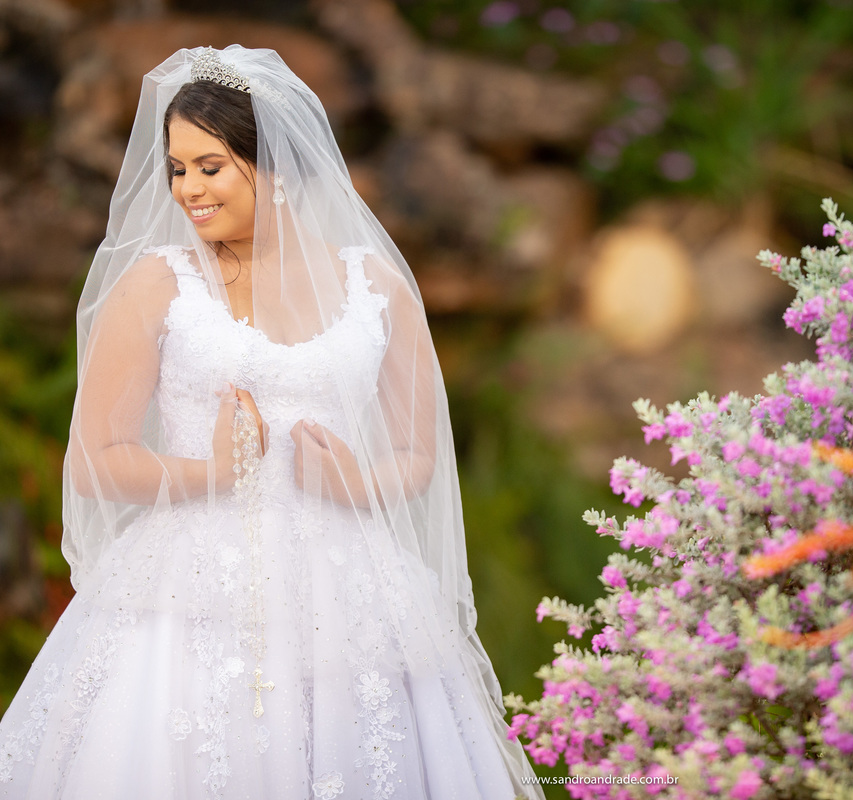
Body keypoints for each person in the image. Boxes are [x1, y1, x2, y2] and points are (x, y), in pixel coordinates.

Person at [0, 45, 543, 799]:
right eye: (177, 168)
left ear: (277, 167)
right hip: (190, 587)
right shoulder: (157, 285)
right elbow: (96, 458)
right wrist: (212, 472)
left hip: (349, 593)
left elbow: (419, 453)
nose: (188, 189)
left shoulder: (376, 287)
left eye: (210, 166)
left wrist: (357, 483)